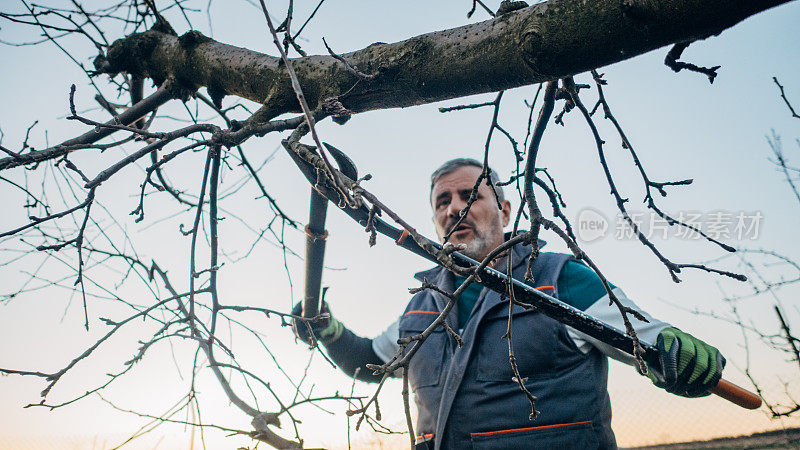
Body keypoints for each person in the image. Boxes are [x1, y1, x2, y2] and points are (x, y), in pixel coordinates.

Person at [291, 158, 725, 449]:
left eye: (470, 196)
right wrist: (329, 330)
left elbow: (648, 341)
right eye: (443, 201)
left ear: (504, 208)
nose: (455, 209)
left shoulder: (560, 280)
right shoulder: (422, 306)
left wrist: (675, 349)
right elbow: (369, 361)